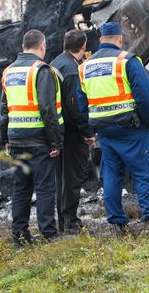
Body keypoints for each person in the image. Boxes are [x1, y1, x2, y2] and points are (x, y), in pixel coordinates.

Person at [79, 22, 149, 235]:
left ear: (100, 40)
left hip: (104, 132)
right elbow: (145, 97)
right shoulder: (127, 61)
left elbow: (81, 103)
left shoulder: (84, 67)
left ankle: (116, 222)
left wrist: (90, 129)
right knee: (145, 172)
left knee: (111, 176)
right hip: (131, 129)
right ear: (119, 39)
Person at [0, 29, 64, 248]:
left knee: (21, 188)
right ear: (42, 46)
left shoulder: (8, 72)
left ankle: (19, 235)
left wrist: (4, 139)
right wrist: (55, 141)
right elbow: (47, 109)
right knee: (45, 187)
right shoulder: (41, 70)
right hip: (38, 138)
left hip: (16, 138)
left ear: (23, 45)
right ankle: (48, 233)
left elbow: (3, 110)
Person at [50, 30, 95, 234]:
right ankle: (70, 222)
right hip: (71, 132)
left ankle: (63, 221)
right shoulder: (71, 69)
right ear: (83, 46)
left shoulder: (55, 63)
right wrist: (87, 131)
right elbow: (75, 105)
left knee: (62, 178)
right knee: (72, 178)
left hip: (57, 131)